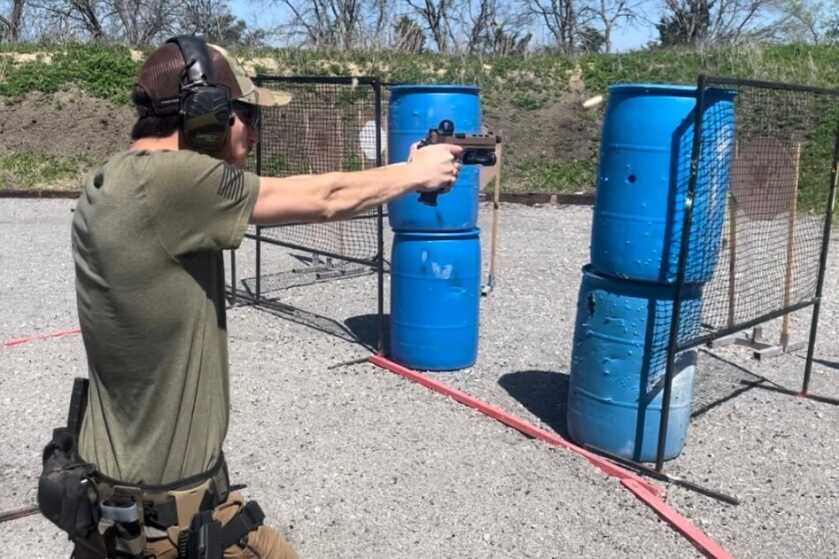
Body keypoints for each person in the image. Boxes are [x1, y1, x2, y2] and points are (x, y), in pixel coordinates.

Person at [65, 35, 462, 558]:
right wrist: (415, 175)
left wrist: (400, 173)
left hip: (106, 499)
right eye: (245, 113)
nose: (253, 130)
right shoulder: (176, 181)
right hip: (168, 517)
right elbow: (326, 198)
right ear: (206, 112)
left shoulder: (113, 179)